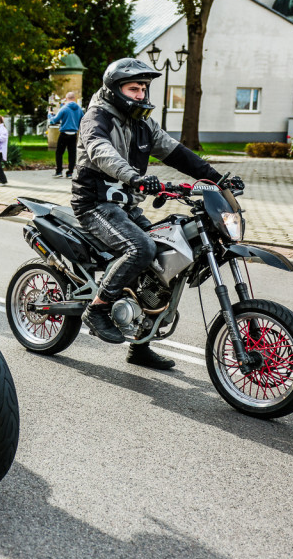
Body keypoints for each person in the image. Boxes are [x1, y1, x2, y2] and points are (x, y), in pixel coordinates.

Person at [72, 58, 243, 370]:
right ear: (115, 89)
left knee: (164, 261)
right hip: (94, 204)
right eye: (133, 88)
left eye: (143, 88)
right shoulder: (96, 117)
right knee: (141, 248)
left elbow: (177, 153)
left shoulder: (143, 124)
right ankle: (96, 310)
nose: (140, 94)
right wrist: (134, 177)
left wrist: (218, 179)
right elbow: (101, 152)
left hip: (126, 206)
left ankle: (139, 346)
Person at [48, 91, 83, 178]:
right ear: (74, 99)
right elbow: (83, 120)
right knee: (72, 154)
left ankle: (59, 171)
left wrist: (49, 115)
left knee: (59, 153)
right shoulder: (79, 109)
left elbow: (54, 120)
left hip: (64, 134)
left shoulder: (64, 108)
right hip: (74, 134)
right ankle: (70, 173)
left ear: (66, 99)